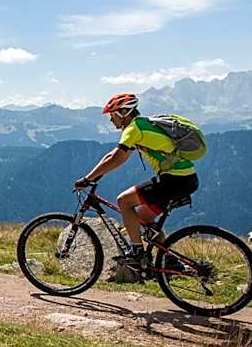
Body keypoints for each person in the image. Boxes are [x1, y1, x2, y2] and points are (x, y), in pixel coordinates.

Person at [75, 93, 199, 266]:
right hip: (185, 178)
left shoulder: (134, 129)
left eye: (112, 115)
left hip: (175, 179)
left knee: (124, 201)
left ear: (123, 113)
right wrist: (92, 176)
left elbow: (117, 158)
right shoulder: (141, 125)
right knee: (144, 219)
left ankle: (137, 252)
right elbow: (112, 155)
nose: (111, 120)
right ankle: (170, 261)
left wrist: (88, 179)